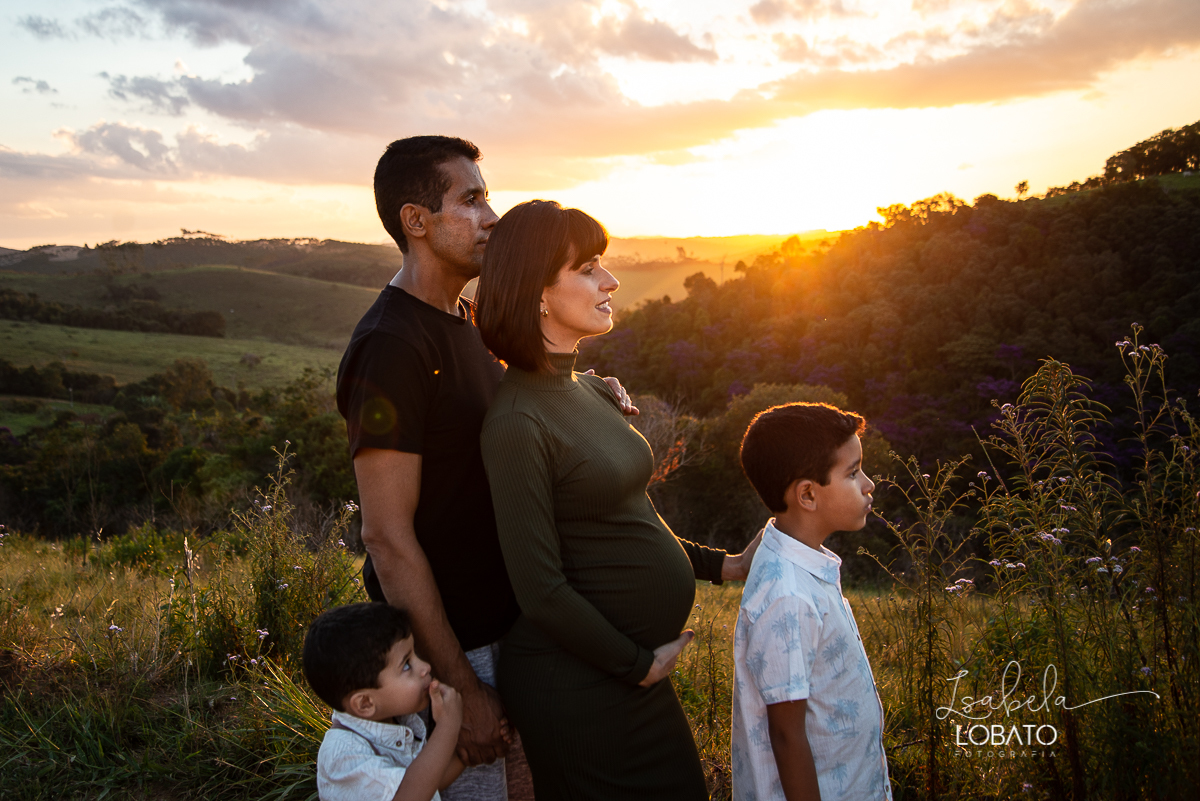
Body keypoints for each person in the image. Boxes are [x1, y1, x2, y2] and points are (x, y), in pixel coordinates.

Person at [337, 136, 631, 801]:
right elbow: (386, 535)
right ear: (416, 221)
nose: (491, 216)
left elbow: (513, 416)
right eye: (470, 199)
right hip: (454, 646)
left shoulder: (464, 319)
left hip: (508, 633)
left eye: (487, 195)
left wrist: (590, 388)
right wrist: (460, 687)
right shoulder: (390, 347)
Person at [474, 199, 762, 800]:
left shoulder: (591, 391)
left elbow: (629, 519)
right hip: (577, 688)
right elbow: (540, 587)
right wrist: (638, 665)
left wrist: (723, 565)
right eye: (587, 268)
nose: (611, 280)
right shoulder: (516, 422)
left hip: (628, 680)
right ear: (538, 293)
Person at [731, 403, 891, 800]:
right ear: (807, 494)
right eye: (853, 473)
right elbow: (787, 735)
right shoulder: (787, 595)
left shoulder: (798, 562)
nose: (869, 484)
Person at [303, 603, 464, 801]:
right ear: (365, 703)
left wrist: (469, 754)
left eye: (416, 655)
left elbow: (427, 781)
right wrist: (448, 726)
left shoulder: (398, 720)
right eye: (406, 665)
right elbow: (408, 795)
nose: (425, 667)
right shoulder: (343, 754)